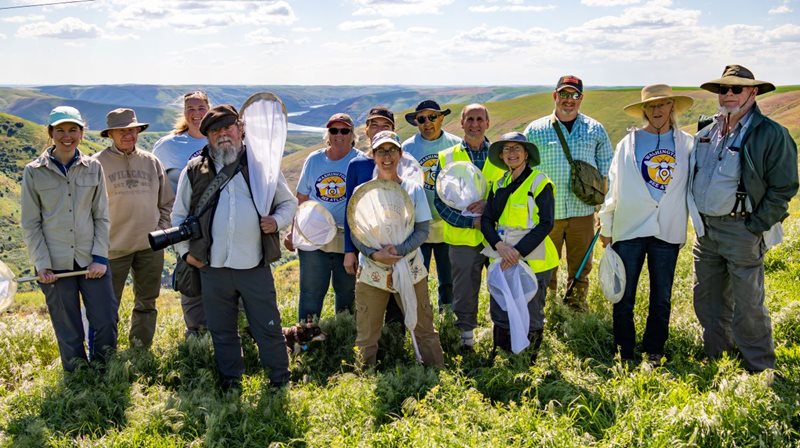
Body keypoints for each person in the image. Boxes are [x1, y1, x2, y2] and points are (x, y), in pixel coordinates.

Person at [172, 104, 297, 390]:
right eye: (215, 130)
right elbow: (178, 217)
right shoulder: (193, 170)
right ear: (207, 137)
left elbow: (289, 203)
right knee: (222, 330)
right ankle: (231, 382)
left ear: (240, 129)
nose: (223, 134)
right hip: (211, 267)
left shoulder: (260, 166)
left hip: (253, 265)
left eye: (228, 127)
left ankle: (279, 381)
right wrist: (186, 254)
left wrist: (276, 222)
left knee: (268, 326)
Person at [691, 65, 798, 373]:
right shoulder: (707, 130)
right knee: (707, 298)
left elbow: (784, 188)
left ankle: (759, 367)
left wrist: (755, 226)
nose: (728, 95)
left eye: (737, 89)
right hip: (706, 232)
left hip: (742, 230)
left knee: (748, 304)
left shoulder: (770, 134)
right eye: (724, 89)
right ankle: (717, 358)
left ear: (753, 92)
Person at [598, 85, 695, 364]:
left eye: (662, 104)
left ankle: (654, 351)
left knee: (661, 296)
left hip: (667, 228)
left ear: (672, 108)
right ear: (644, 110)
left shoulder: (686, 144)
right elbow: (614, 188)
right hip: (628, 229)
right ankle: (624, 352)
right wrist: (606, 226)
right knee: (623, 295)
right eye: (651, 106)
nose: (657, 111)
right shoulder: (627, 143)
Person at [21, 106, 118, 371]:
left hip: (91, 261)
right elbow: (31, 224)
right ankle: (77, 380)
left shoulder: (93, 168)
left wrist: (99, 258)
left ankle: (106, 372)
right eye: (60, 130)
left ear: (81, 132)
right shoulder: (33, 172)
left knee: (106, 320)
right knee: (67, 326)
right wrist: (42, 264)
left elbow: (102, 216)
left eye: (73, 130)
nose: (67, 136)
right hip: (54, 263)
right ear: (50, 133)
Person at [350, 131, 444, 367]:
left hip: (409, 267)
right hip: (372, 270)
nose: (387, 156)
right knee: (367, 334)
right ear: (373, 155)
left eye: (392, 150)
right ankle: (363, 382)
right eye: (381, 151)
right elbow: (356, 231)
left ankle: (438, 378)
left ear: (401, 154)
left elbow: (422, 229)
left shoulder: (413, 189)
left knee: (424, 327)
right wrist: (374, 254)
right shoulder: (362, 192)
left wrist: (399, 251)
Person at [525, 76, 613, 310]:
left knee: (581, 267)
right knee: (545, 267)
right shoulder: (535, 130)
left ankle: (576, 309)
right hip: (546, 215)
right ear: (555, 96)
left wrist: (604, 212)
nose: (569, 100)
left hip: (582, 213)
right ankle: (546, 310)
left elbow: (607, 172)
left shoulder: (595, 130)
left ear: (581, 98)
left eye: (574, 95)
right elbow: (523, 172)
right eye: (564, 94)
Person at [94, 108, 174, 348]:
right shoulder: (96, 164)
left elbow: (167, 202)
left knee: (147, 302)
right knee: (108, 305)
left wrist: (161, 231)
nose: (129, 135)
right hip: (112, 249)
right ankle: (106, 353)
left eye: (132, 130)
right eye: (122, 131)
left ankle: (140, 349)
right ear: (111, 134)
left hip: (150, 247)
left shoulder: (151, 161)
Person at [481, 132, 559, 361]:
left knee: (532, 311)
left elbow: (546, 223)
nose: (512, 153)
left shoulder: (539, 182)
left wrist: (517, 252)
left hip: (534, 259)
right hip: (503, 255)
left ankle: (529, 361)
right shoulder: (499, 184)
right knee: (501, 306)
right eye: (507, 149)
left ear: (526, 154)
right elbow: (486, 220)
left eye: (517, 149)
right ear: (502, 156)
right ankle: (503, 356)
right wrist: (499, 246)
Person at [434, 104, 505, 351]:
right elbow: (439, 202)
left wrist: (491, 205)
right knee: (463, 292)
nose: (475, 124)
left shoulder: (502, 155)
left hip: (497, 237)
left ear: (488, 123)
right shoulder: (447, 157)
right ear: (461, 123)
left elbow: (510, 192)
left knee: (501, 286)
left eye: (479, 119)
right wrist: (470, 222)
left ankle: (502, 338)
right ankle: (465, 342)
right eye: (470, 119)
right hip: (463, 238)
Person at [285, 113, 359, 321]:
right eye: (334, 130)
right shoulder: (314, 160)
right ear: (328, 134)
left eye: (344, 131)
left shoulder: (360, 161)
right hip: (314, 235)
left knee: (346, 294)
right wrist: (293, 233)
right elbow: (302, 198)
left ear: (352, 134)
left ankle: (344, 339)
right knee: (311, 293)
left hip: (347, 239)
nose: (339, 135)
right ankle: (307, 342)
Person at [153, 90, 210, 337]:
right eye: (191, 108)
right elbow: (154, 183)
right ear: (184, 112)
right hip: (187, 226)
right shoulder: (168, 146)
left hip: (221, 223)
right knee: (191, 278)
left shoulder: (222, 137)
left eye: (201, 108)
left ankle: (230, 329)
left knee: (226, 278)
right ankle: (196, 333)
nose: (196, 114)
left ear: (209, 109)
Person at [343, 107, 408, 325]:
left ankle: (395, 349)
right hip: (369, 249)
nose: (379, 129)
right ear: (367, 129)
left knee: (397, 305)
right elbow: (350, 212)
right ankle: (371, 350)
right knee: (370, 304)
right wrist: (349, 251)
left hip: (399, 247)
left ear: (394, 131)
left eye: (386, 126)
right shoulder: (358, 165)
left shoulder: (404, 164)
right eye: (375, 125)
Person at [401, 100, 462, 310]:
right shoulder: (406, 148)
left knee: (449, 278)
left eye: (432, 117)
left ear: (442, 118)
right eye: (422, 119)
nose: (427, 123)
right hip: (419, 225)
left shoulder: (456, 145)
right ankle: (422, 317)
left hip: (448, 223)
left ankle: (448, 316)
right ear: (416, 122)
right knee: (418, 276)